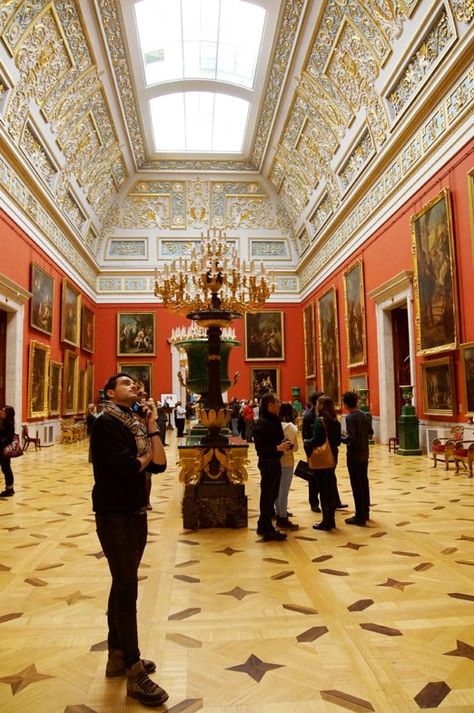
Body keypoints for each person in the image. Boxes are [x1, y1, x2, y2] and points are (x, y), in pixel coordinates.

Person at [90, 373, 169, 707]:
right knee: (127, 588)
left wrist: (151, 425)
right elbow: (128, 466)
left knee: (121, 584)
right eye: (126, 383)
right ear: (110, 393)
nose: (134, 386)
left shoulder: (136, 422)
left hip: (134, 511)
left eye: (136, 383)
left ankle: (116, 655)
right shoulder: (107, 422)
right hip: (114, 514)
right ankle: (134, 671)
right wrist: (146, 458)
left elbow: (160, 464)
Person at [253, 392, 292, 542]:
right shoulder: (263, 423)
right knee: (267, 496)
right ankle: (266, 527)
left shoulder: (273, 420)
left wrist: (286, 444)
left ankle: (264, 524)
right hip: (268, 464)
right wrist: (277, 448)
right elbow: (261, 449)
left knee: (271, 495)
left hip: (275, 463)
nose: (280, 405)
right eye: (277, 402)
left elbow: (278, 439)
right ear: (270, 405)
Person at [305, 395, 341, 531]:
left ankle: (326, 521)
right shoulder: (335, 421)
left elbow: (317, 440)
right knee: (330, 488)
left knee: (323, 491)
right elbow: (337, 442)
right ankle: (331, 520)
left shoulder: (320, 421)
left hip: (322, 459)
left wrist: (307, 442)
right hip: (332, 457)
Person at [341, 390, 374, 526]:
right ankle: (365, 512)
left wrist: (342, 437)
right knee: (364, 483)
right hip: (364, 454)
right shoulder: (363, 415)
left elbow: (352, 438)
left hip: (354, 455)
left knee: (356, 485)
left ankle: (359, 516)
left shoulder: (349, 418)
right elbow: (370, 432)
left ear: (346, 404)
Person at [275, 401, 299, 530]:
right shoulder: (291, 427)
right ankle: (282, 517)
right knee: (284, 490)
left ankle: (278, 511)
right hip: (287, 461)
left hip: (275, 460)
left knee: (277, 489)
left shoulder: (274, 425)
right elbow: (295, 448)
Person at [302, 392, 323, 513]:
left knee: (329, 477)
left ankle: (335, 500)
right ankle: (314, 503)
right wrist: (309, 453)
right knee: (313, 478)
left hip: (325, 450)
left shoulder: (323, 414)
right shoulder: (308, 416)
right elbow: (305, 437)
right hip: (313, 450)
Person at [0, 406, 16, 497]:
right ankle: (9, 488)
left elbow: (8, 439)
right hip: (1, 449)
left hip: (4, 450)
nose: (1, 412)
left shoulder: (9, 424)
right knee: (5, 469)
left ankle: (10, 489)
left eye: (3, 411)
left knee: (6, 469)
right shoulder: (2, 422)